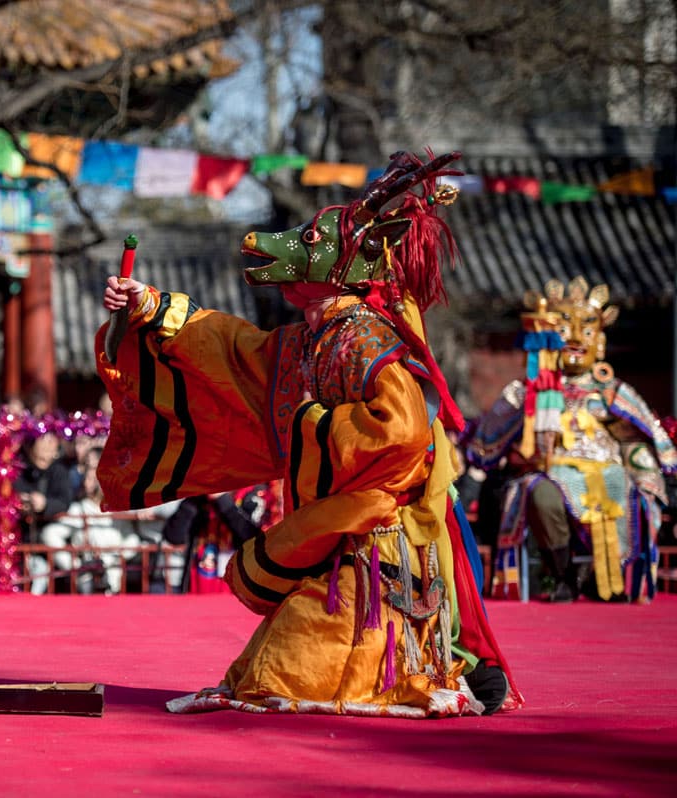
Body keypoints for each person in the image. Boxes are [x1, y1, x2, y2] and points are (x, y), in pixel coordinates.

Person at [97, 150, 520, 718]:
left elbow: (403, 430)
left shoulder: (363, 338)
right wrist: (150, 307)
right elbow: (236, 353)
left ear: (343, 268)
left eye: (311, 242)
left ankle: (445, 666)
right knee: (272, 668)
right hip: (332, 518)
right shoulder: (311, 339)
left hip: (373, 526)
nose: (282, 247)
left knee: (288, 667)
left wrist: (313, 428)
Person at [467, 278, 676, 603]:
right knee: (543, 495)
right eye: (565, 331)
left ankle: (608, 577)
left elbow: (635, 438)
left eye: (587, 332)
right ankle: (562, 574)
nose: (576, 339)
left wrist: (648, 473)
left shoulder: (612, 393)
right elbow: (485, 447)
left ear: (601, 343)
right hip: (549, 473)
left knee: (635, 494)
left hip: (608, 473)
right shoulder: (527, 391)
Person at [13, 431, 74, 543]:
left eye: (51, 450)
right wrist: (17, 501)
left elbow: (64, 501)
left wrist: (44, 504)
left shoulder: (59, 471)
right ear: (29, 448)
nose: (47, 454)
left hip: (46, 529)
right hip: (18, 532)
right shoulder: (17, 468)